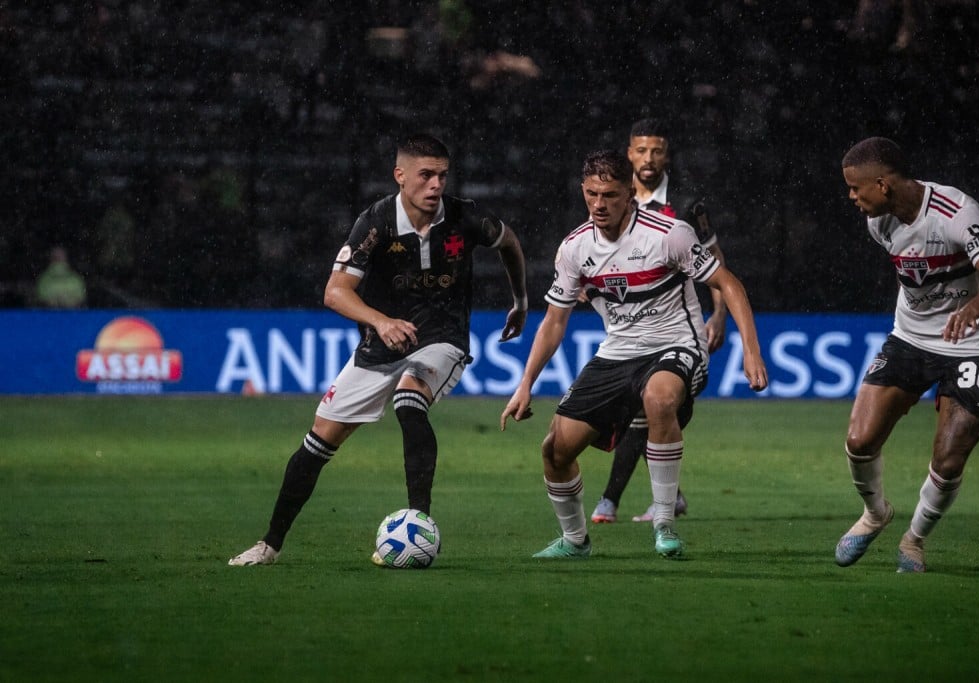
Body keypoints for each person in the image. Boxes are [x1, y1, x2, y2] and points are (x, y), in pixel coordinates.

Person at [229, 133, 528, 566]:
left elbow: (510, 243)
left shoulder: (465, 218)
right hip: (379, 344)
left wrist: (519, 300)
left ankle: (420, 525)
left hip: (441, 337)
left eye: (442, 176)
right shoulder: (375, 224)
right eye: (425, 175)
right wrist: (380, 321)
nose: (435, 185)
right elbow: (335, 293)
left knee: (410, 401)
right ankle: (269, 544)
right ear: (400, 175)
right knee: (317, 443)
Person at [501, 149, 768, 559]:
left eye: (609, 195)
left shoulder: (669, 234)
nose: (598, 204)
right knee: (555, 448)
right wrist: (525, 384)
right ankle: (574, 540)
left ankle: (663, 522)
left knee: (658, 398)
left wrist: (751, 352)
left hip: (677, 344)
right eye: (591, 194)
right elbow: (555, 321)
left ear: (630, 194)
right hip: (618, 352)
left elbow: (729, 284)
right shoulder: (574, 248)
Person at [834, 136, 979, 573]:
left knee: (950, 456)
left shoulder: (956, 212)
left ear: (883, 183)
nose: (852, 198)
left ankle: (913, 540)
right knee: (859, 440)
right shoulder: (880, 223)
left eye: (857, 189)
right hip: (912, 337)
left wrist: (970, 309)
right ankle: (876, 513)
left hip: (975, 340)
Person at [590, 118, 729, 525]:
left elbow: (716, 263)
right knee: (644, 413)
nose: (648, 159)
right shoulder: (615, 197)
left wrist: (718, 314)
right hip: (626, 324)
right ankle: (671, 496)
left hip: (674, 328)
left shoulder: (687, 204)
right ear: (629, 152)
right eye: (641, 150)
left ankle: (610, 501)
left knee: (647, 408)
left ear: (667, 155)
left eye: (657, 150)